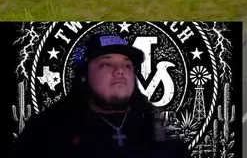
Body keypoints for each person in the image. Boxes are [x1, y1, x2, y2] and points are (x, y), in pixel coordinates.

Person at [12, 34, 192, 158]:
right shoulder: (47, 130)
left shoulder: (157, 127)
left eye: (127, 65)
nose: (120, 71)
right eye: (106, 64)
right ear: (84, 75)